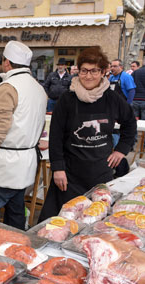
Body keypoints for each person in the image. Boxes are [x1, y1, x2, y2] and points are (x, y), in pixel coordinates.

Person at [39, 46, 137, 221]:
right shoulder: (67, 99)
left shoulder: (112, 99)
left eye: (94, 71)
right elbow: (56, 136)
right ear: (78, 71)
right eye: (84, 70)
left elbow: (130, 123)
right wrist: (58, 168)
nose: (89, 76)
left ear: (103, 72)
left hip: (100, 173)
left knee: (94, 222)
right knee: (62, 222)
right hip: (69, 175)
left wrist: (121, 150)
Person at [0, 41, 47, 229]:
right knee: (15, 215)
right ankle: (14, 251)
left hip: (3, 163)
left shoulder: (8, 88)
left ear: (6, 63)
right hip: (26, 163)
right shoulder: (38, 88)